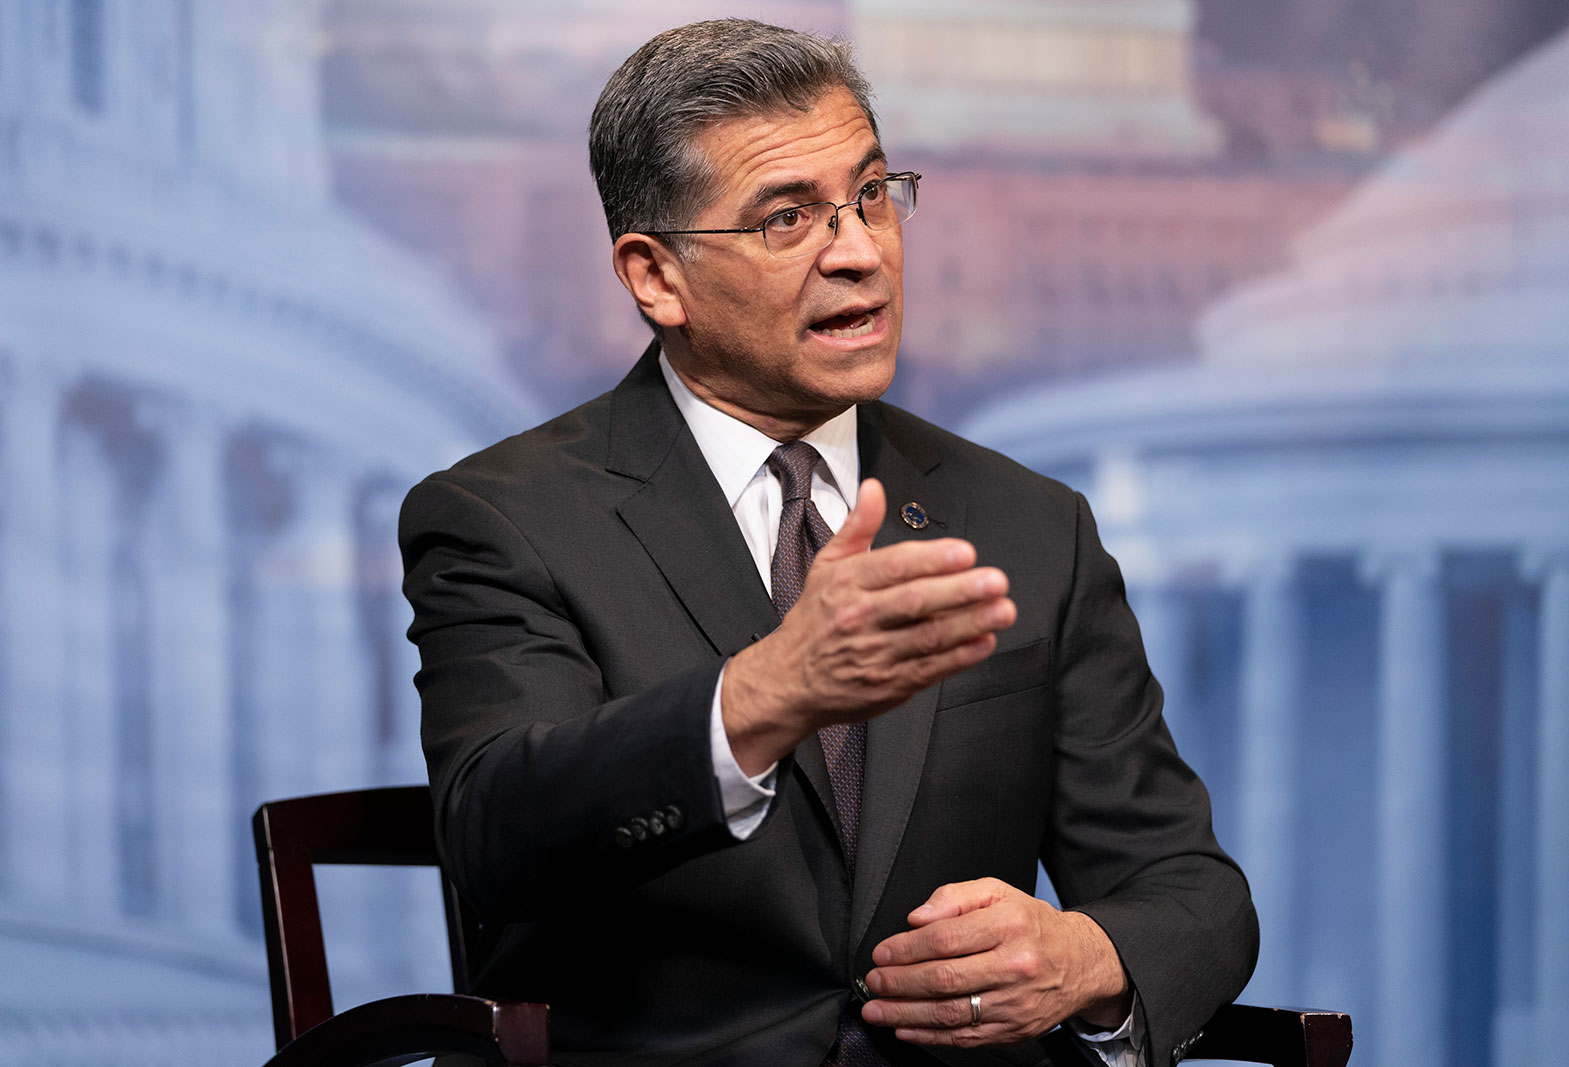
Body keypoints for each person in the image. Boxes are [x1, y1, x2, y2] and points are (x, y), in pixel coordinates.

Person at [400, 18, 1255, 1067]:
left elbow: (1191, 889)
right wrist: (766, 693)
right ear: (654, 276)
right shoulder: (505, 515)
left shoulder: (1029, 524)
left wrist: (1083, 954)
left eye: (871, 195)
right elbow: (498, 834)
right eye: (785, 218)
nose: (857, 251)